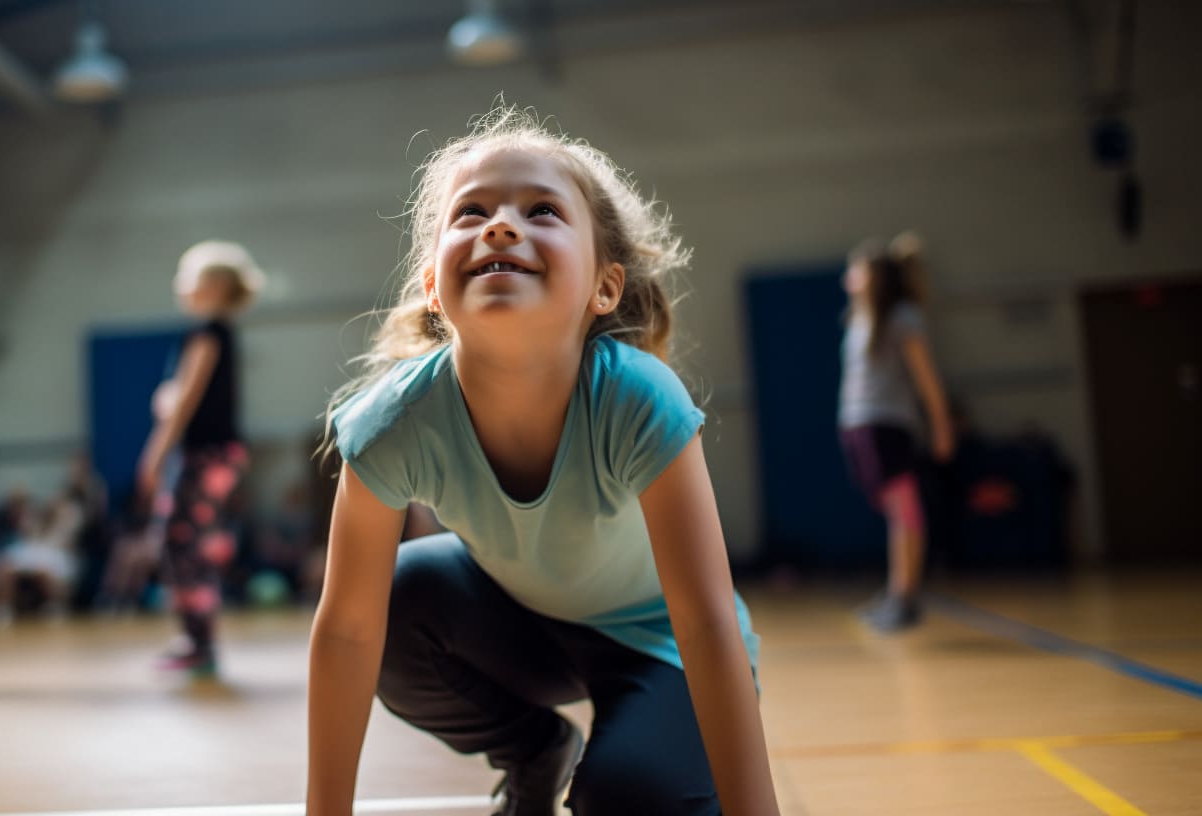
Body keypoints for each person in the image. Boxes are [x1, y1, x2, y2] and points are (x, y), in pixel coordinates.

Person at [309, 106, 778, 816]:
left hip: (663, 644)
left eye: (541, 212)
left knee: (624, 797)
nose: (500, 226)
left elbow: (706, 621)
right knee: (397, 599)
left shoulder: (638, 399)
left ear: (605, 287)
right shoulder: (392, 425)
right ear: (433, 288)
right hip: (524, 626)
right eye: (470, 213)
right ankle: (533, 749)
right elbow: (345, 631)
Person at [136, 240, 262, 677]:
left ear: (213, 287)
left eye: (188, 276)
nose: (180, 284)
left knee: (182, 542)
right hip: (211, 456)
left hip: (207, 457)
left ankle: (200, 643)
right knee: (181, 541)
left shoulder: (208, 335)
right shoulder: (212, 335)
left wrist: (154, 453)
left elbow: (184, 401)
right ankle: (196, 639)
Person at [838, 232, 953, 632]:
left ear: (874, 276)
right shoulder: (860, 317)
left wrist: (941, 425)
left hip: (888, 423)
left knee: (905, 509)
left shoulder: (901, 317)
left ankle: (905, 596)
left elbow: (926, 378)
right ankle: (896, 591)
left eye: (856, 269)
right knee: (894, 511)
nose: (848, 276)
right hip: (861, 423)